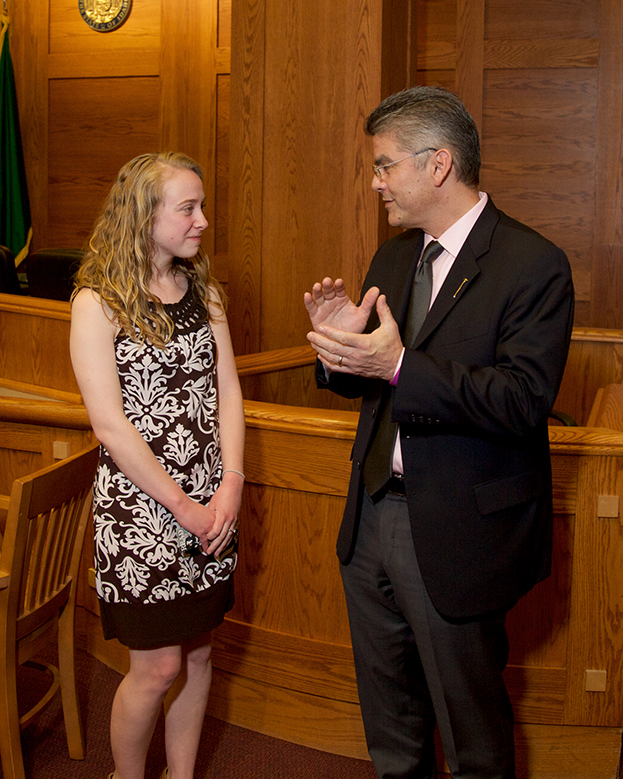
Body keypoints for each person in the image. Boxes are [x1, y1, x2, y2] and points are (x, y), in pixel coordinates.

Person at [304, 86, 574, 779]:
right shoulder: (393, 258)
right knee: (391, 722)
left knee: (470, 730)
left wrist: (395, 362)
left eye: (384, 165)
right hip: (371, 520)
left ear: (438, 164)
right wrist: (338, 353)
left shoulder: (532, 264)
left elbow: (520, 399)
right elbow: (373, 379)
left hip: (457, 531)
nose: (375, 182)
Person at [70, 152, 245, 779]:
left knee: (199, 656)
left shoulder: (205, 290)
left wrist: (230, 485)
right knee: (158, 667)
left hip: (212, 509)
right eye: (188, 208)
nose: (202, 220)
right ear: (144, 217)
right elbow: (110, 426)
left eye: (201, 205)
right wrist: (185, 507)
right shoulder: (99, 300)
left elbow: (228, 391)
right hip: (143, 516)